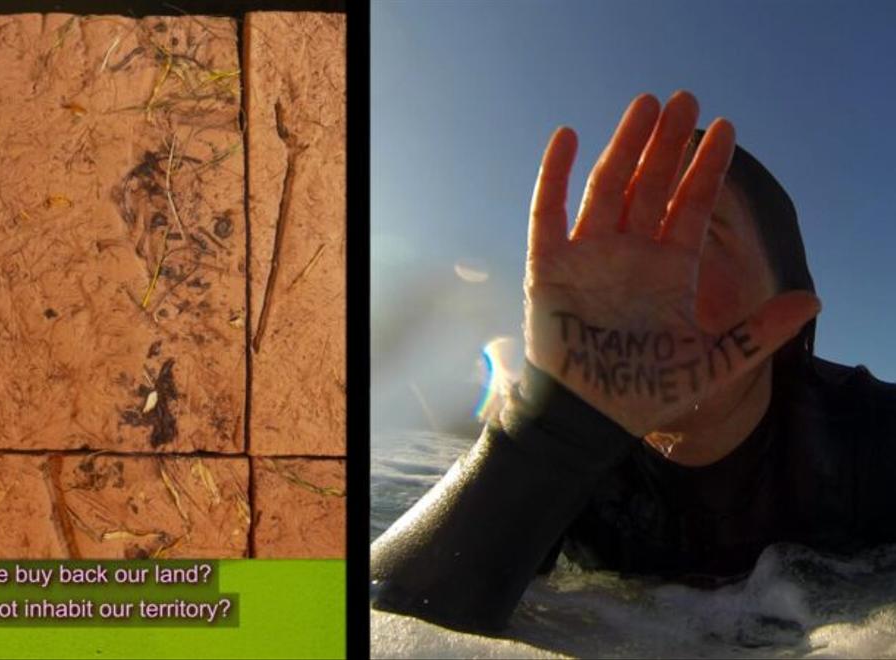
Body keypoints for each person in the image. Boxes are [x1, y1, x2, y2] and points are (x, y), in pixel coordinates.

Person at [369, 90, 896, 634]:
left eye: (698, 235)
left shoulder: (869, 439)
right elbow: (330, 623)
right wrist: (555, 432)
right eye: (630, 236)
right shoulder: (560, 451)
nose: (643, 279)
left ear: (788, 308)